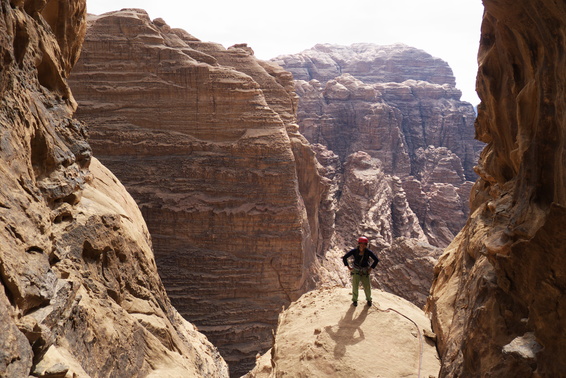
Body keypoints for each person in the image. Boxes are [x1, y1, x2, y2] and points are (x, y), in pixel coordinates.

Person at [342, 236, 379, 307]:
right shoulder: (355, 251)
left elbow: (376, 260)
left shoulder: (368, 252)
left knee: (367, 287)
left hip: (364, 271)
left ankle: (369, 299)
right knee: (355, 286)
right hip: (357, 271)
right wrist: (348, 267)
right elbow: (345, 257)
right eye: (361, 243)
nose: (362, 245)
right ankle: (355, 300)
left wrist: (370, 269)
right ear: (359, 243)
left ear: (366, 245)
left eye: (364, 244)